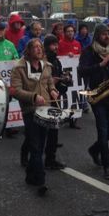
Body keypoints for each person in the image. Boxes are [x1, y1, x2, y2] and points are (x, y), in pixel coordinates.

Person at [10, 38, 59, 196]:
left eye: (40, 47)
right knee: (36, 145)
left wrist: (53, 90)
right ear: (28, 50)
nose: (39, 49)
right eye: (35, 47)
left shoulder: (46, 66)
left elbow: (49, 82)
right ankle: (41, 180)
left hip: (46, 109)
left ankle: (30, 175)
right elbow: (15, 91)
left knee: (40, 144)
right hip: (30, 110)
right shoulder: (19, 68)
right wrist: (33, 96)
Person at [79, 23, 109, 180]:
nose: (107, 36)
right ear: (97, 35)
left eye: (108, 34)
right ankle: (107, 165)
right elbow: (81, 70)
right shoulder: (89, 51)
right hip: (97, 96)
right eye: (104, 34)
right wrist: (100, 65)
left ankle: (95, 149)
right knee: (103, 130)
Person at [43, 35, 70, 170]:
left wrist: (64, 80)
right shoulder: (44, 61)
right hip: (43, 99)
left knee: (54, 131)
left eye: (56, 44)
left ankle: (50, 158)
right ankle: (27, 156)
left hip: (55, 98)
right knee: (39, 131)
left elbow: (59, 81)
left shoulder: (57, 61)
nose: (56, 47)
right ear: (47, 46)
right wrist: (52, 82)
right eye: (53, 45)